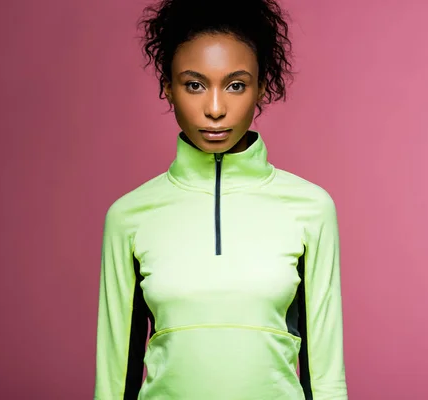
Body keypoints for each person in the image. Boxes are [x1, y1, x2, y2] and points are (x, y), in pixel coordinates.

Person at [94, 0, 348, 399]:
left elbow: (325, 374)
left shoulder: (310, 208)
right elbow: (114, 378)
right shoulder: (129, 216)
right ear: (167, 86)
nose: (215, 109)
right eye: (194, 84)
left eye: (236, 85)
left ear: (262, 86)